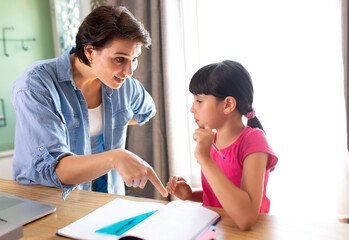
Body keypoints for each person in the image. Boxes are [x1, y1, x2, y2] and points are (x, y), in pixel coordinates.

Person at [11, 5, 168, 200]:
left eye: (134, 59)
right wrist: (115, 157)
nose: (129, 72)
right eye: (120, 59)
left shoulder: (125, 84)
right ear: (89, 51)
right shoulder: (36, 84)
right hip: (49, 204)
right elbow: (55, 170)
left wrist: (105, 124)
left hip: (107, 200)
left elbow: (145, 112)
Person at [166, 60, 278, 230]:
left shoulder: (253, 141)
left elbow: (246, 218)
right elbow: (222, 194)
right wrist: (190, 195)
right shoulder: (212, 141)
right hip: (216, 229)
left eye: (199, 100)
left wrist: (204, 159)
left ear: (228, 105)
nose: (192, 108)